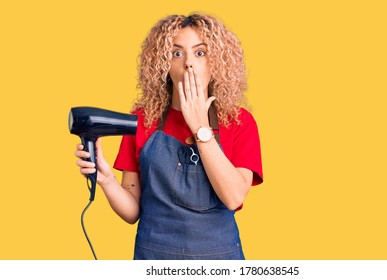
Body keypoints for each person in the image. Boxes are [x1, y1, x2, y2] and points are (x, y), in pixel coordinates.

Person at [74, 13, 263, 260]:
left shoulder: (239, 121)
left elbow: (233, 197)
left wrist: (200, 127)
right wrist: (106, 178)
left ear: (216, 62)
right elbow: (132, 212)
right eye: (177, 53)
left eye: (200, 52)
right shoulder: (143, 119)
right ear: (164, 64)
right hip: (154, 260)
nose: (188, 63)